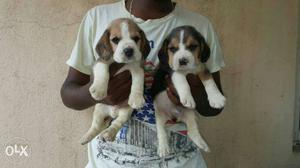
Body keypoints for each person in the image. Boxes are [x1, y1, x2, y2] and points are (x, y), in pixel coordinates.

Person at [60, 0, 225, 167]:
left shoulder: (200, 26)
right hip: (107, 161)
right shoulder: (98, 18)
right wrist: (99, 93)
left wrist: (192, 91)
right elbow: (68, 93)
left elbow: (214, 107)